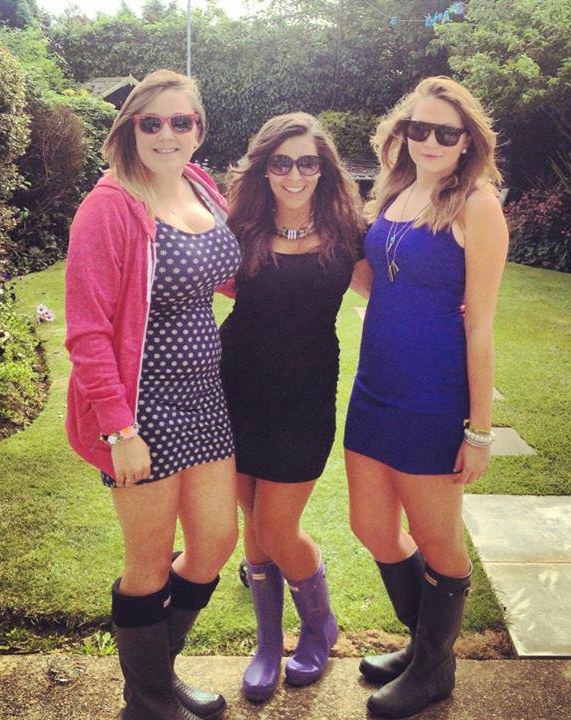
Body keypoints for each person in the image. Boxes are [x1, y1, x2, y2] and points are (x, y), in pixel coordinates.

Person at [64, 69, 241, 720]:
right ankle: (148, 700)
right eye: (152, 122)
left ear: (199, 130)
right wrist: (120, 429)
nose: (167, 134)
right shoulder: (110, 206)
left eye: (181, 121)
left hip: (206, 401)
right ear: (131, 128)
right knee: (148, 563)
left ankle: (156, 680)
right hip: (141, 409)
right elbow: (86, 330)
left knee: (215, 542)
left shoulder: (199, 185)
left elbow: (228, 273)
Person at [344, 76, 509, 718]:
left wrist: (479, 431)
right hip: (374, 389)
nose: (431, 140)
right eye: (419, 128)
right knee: (371, 527)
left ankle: (434, 668)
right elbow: (377, 281)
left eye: (446, 131)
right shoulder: (394, 192)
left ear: (467, 140)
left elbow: (481, 325)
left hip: (433, 398)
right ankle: (424, 648)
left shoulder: (476, 205)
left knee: (436, 539)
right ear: (403, 133)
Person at [219, 112, 364, 701]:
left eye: (307, 162)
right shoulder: (241, 229)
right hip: (235, 389)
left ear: (324, 168)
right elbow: (199, 280)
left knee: (277, 527)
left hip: (304, 397)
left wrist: (455, 306)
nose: (295, 174)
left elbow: (392, 289)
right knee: (253, 524)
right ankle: (266, 643)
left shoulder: (348, 233)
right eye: (281, 162)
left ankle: (319, 625)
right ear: (264, 168)